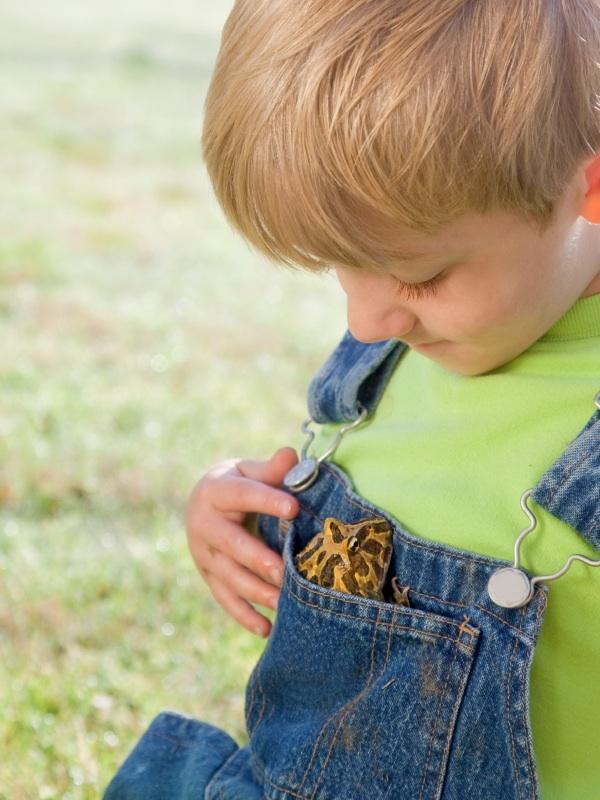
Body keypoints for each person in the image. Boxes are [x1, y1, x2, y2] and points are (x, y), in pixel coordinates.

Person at [103, 1, 600, 798]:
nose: (365, 319)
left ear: (589, 186)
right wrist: (242, 506)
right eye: (341, 266)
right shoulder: (399, 345)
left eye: (423, 275)